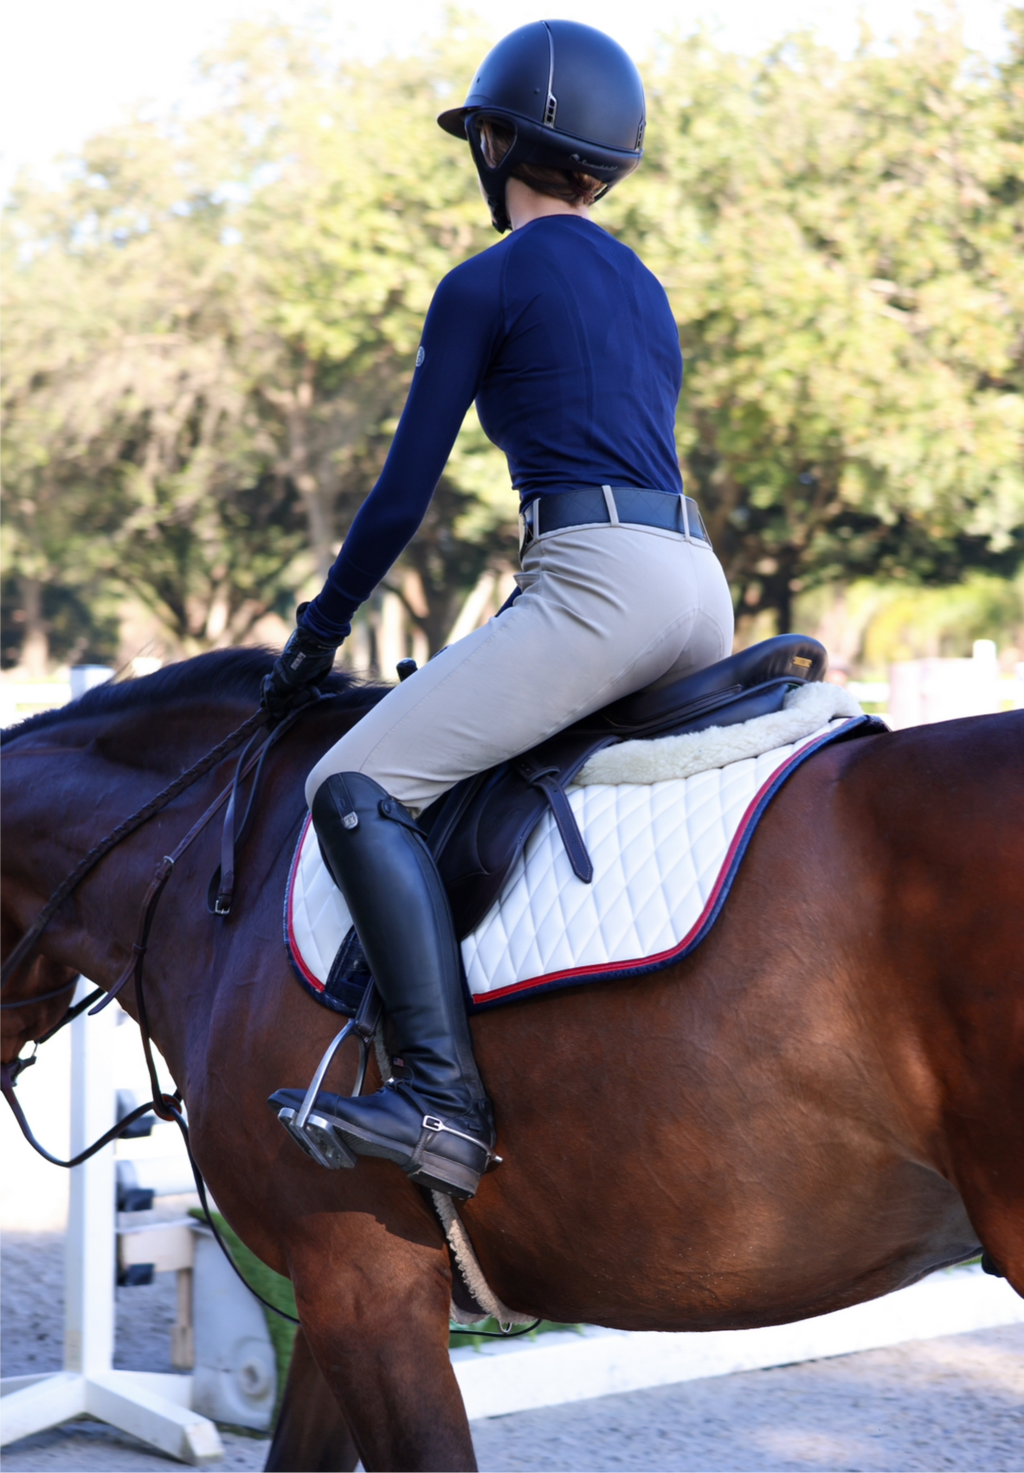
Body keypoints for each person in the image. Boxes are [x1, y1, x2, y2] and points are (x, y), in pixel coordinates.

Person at [265, 20, 735, 1200]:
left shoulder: (485, 281)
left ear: (493, 140)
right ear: (604, 163)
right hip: (696, 584)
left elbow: (397, 500)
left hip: (595, 585)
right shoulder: (643, 284)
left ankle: (438, 1097)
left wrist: (315, 636)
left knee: (353, 788)